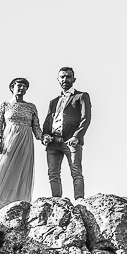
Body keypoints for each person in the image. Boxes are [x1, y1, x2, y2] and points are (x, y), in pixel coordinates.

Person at [0, 77, 39, 212]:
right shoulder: (4, 105)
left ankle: (18, 201)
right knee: (3, 169)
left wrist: (44, 137)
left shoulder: (31, 107)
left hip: (25, 141)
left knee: (21, 170)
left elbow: (36, 128)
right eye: (19, 85)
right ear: (12, 87)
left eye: (25, 86)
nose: (22, 88)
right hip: (9, 139)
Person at [42, 66, 90, 200]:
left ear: (74, 79)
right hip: (53, 142)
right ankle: (57, 201)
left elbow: (85, 119)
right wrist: (45, 135)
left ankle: (79, 200)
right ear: (58, 79)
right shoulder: (53, 101)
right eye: (62, 77)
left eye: (68, 76)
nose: (65, 79)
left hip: (71, 141)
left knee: (76, 172)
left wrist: (76, 136)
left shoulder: (81, 96)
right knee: (53, 173)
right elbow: (48, 122)